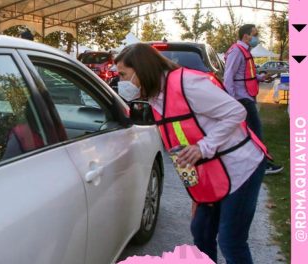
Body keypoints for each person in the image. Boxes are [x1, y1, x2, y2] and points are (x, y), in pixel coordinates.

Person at [114, 43, 269, 264]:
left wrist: (203, 147)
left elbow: (236, 111)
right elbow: (180, 143)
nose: (121, 81)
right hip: (212, 173)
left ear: (141, 69)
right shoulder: (155, 95)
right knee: (202, 232)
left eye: (123, 74)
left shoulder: (187, 83)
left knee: (230, 240)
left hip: (241, 168)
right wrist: (197, 192)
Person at [224, 24, 283, 175]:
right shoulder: (236, 51)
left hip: (247, 96)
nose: (256, 38)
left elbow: (244, 73)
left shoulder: (244, 51)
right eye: (254, 34)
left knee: (249, 133)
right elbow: (229, 76)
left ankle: (249, 164)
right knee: (256, 131)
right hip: (242, 99)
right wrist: (232, 100)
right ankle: (262, 166)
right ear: (245, 36)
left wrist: (261, 77)